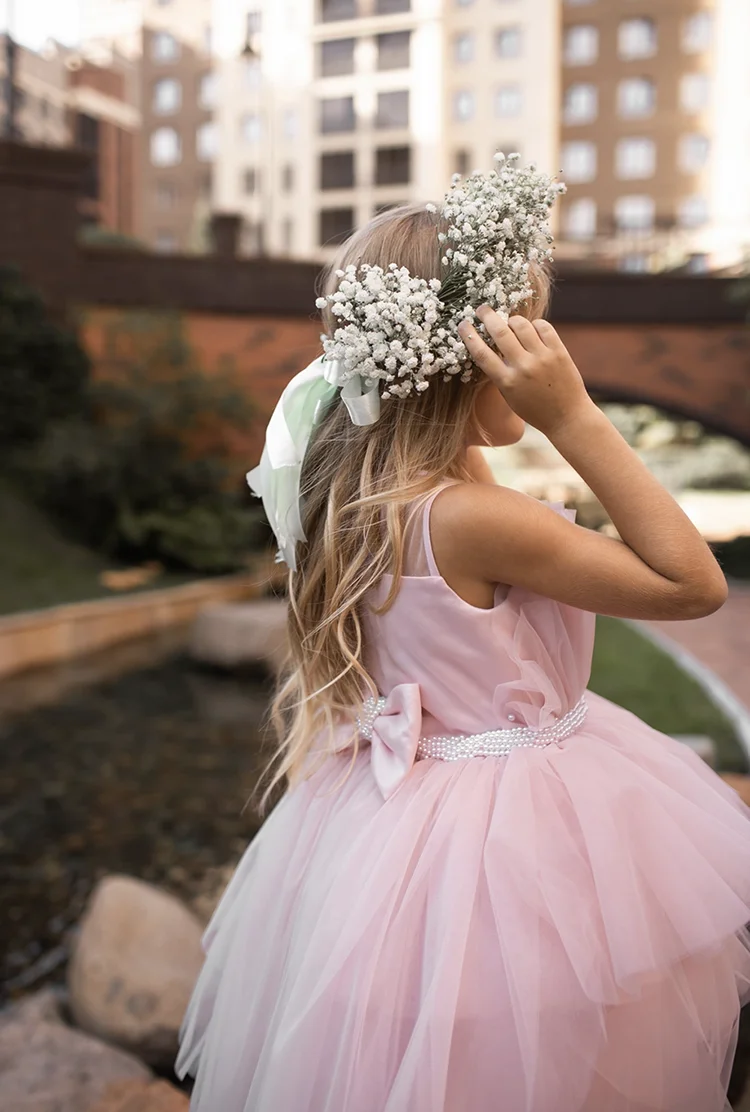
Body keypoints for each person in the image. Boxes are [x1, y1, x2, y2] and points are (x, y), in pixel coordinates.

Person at [176, 158, 750, 1111]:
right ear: (465, 353)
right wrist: (572, 416)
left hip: (390, 826)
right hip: (519, 828)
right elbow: (692, 584)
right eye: (525, 325)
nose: (544, 346)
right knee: (565, 1052)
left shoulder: (368, 501)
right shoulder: (476, 518)